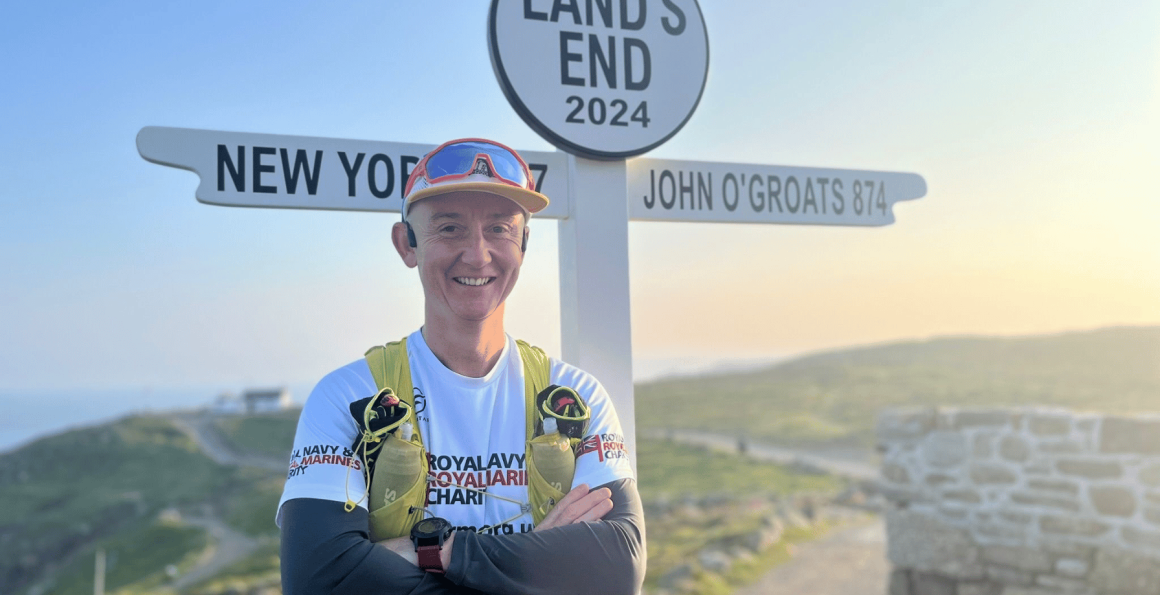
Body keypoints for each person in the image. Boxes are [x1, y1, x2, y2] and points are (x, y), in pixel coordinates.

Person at [276, 138, 646, 594]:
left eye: (500, 229)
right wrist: (537, 554)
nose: (477, 254)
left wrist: (433, 552)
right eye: (449, 228)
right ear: (406, 245)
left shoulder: (575, 397)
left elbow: (619, 567)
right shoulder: (349, 396)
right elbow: (320, 579)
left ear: (524, 244)